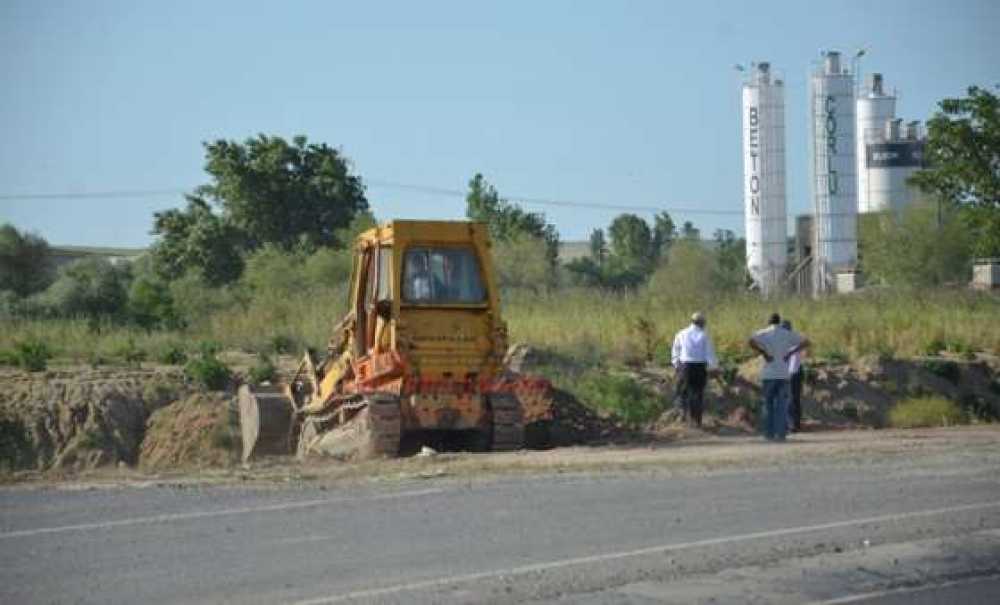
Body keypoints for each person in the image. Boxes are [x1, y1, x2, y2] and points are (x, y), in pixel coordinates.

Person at [748, 313, 810, 441]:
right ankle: (781, 434)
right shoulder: (787, 334)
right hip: (783, 374)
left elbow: (750, 341)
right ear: (779, 322)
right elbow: (806, 342)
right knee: (782, 406)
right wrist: (790, 353)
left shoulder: (764, 333)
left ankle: (769, 434)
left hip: (769, 374)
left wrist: (763, 353)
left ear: (769, 322)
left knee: (768, 405)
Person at [670, 312, 718, 428]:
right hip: (700, 367)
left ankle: (682, 413)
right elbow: (709, 353)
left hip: (685, 366)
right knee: (697, 393)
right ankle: (696, 420)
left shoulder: (681, 333)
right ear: (702, 323)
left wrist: (676, 364)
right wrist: (714, 367)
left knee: (682, 390)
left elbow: (675, 350)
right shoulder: (705, 335)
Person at [782, 319, 805, 432]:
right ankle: (793, 424)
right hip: (790, 372)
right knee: (792, 398)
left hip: (794, 372)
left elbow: (794, 361)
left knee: (791, 398)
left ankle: (792, 425)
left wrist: (790, 374)